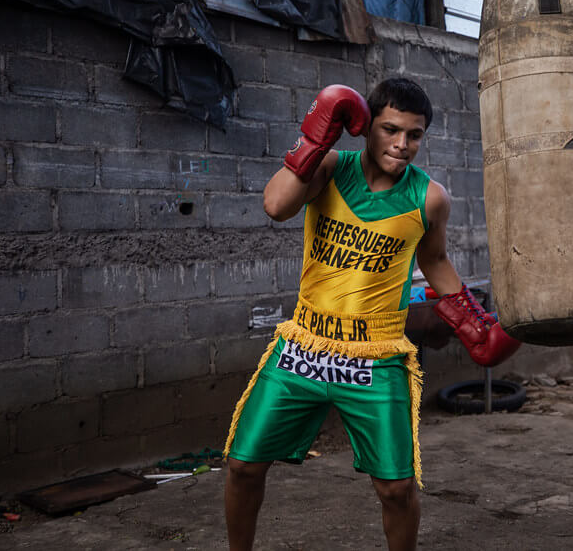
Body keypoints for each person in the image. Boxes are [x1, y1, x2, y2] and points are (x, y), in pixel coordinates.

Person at [222, 78, 520, 551]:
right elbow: (276, 205)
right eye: (391, 129)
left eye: (415, 134)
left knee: (397, 488)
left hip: (375, 355)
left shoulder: (430, 199)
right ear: (365, 127)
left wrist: (473, 322)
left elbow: (435, 260)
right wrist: (316, 139)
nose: (402, 145)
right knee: (242, 464)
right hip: (305, 346)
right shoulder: (331, 167)